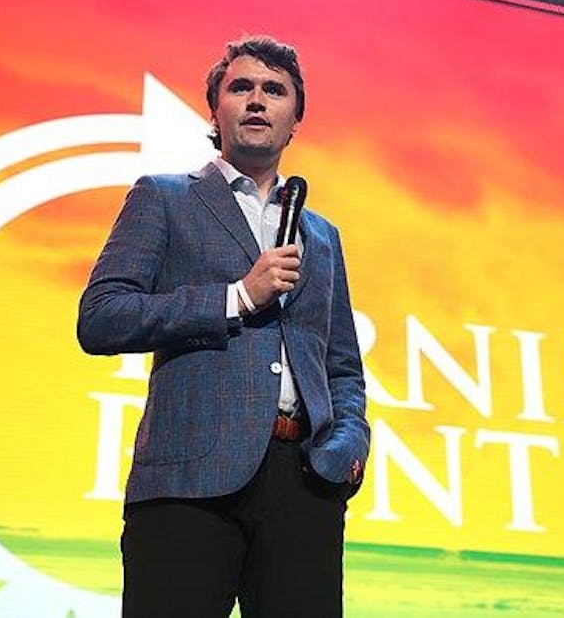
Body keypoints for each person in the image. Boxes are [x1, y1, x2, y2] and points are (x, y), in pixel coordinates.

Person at [77, 35, 369, 617]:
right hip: (189, 479)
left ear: (295, 122)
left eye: (274, 91)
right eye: (241, 88)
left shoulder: (321, 235)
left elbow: (342, 366)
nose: (257, 100)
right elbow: (102, 317)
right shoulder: (164, 198)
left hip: (304, 484)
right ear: (216, 111)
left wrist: (347, 447)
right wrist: (237, 296)